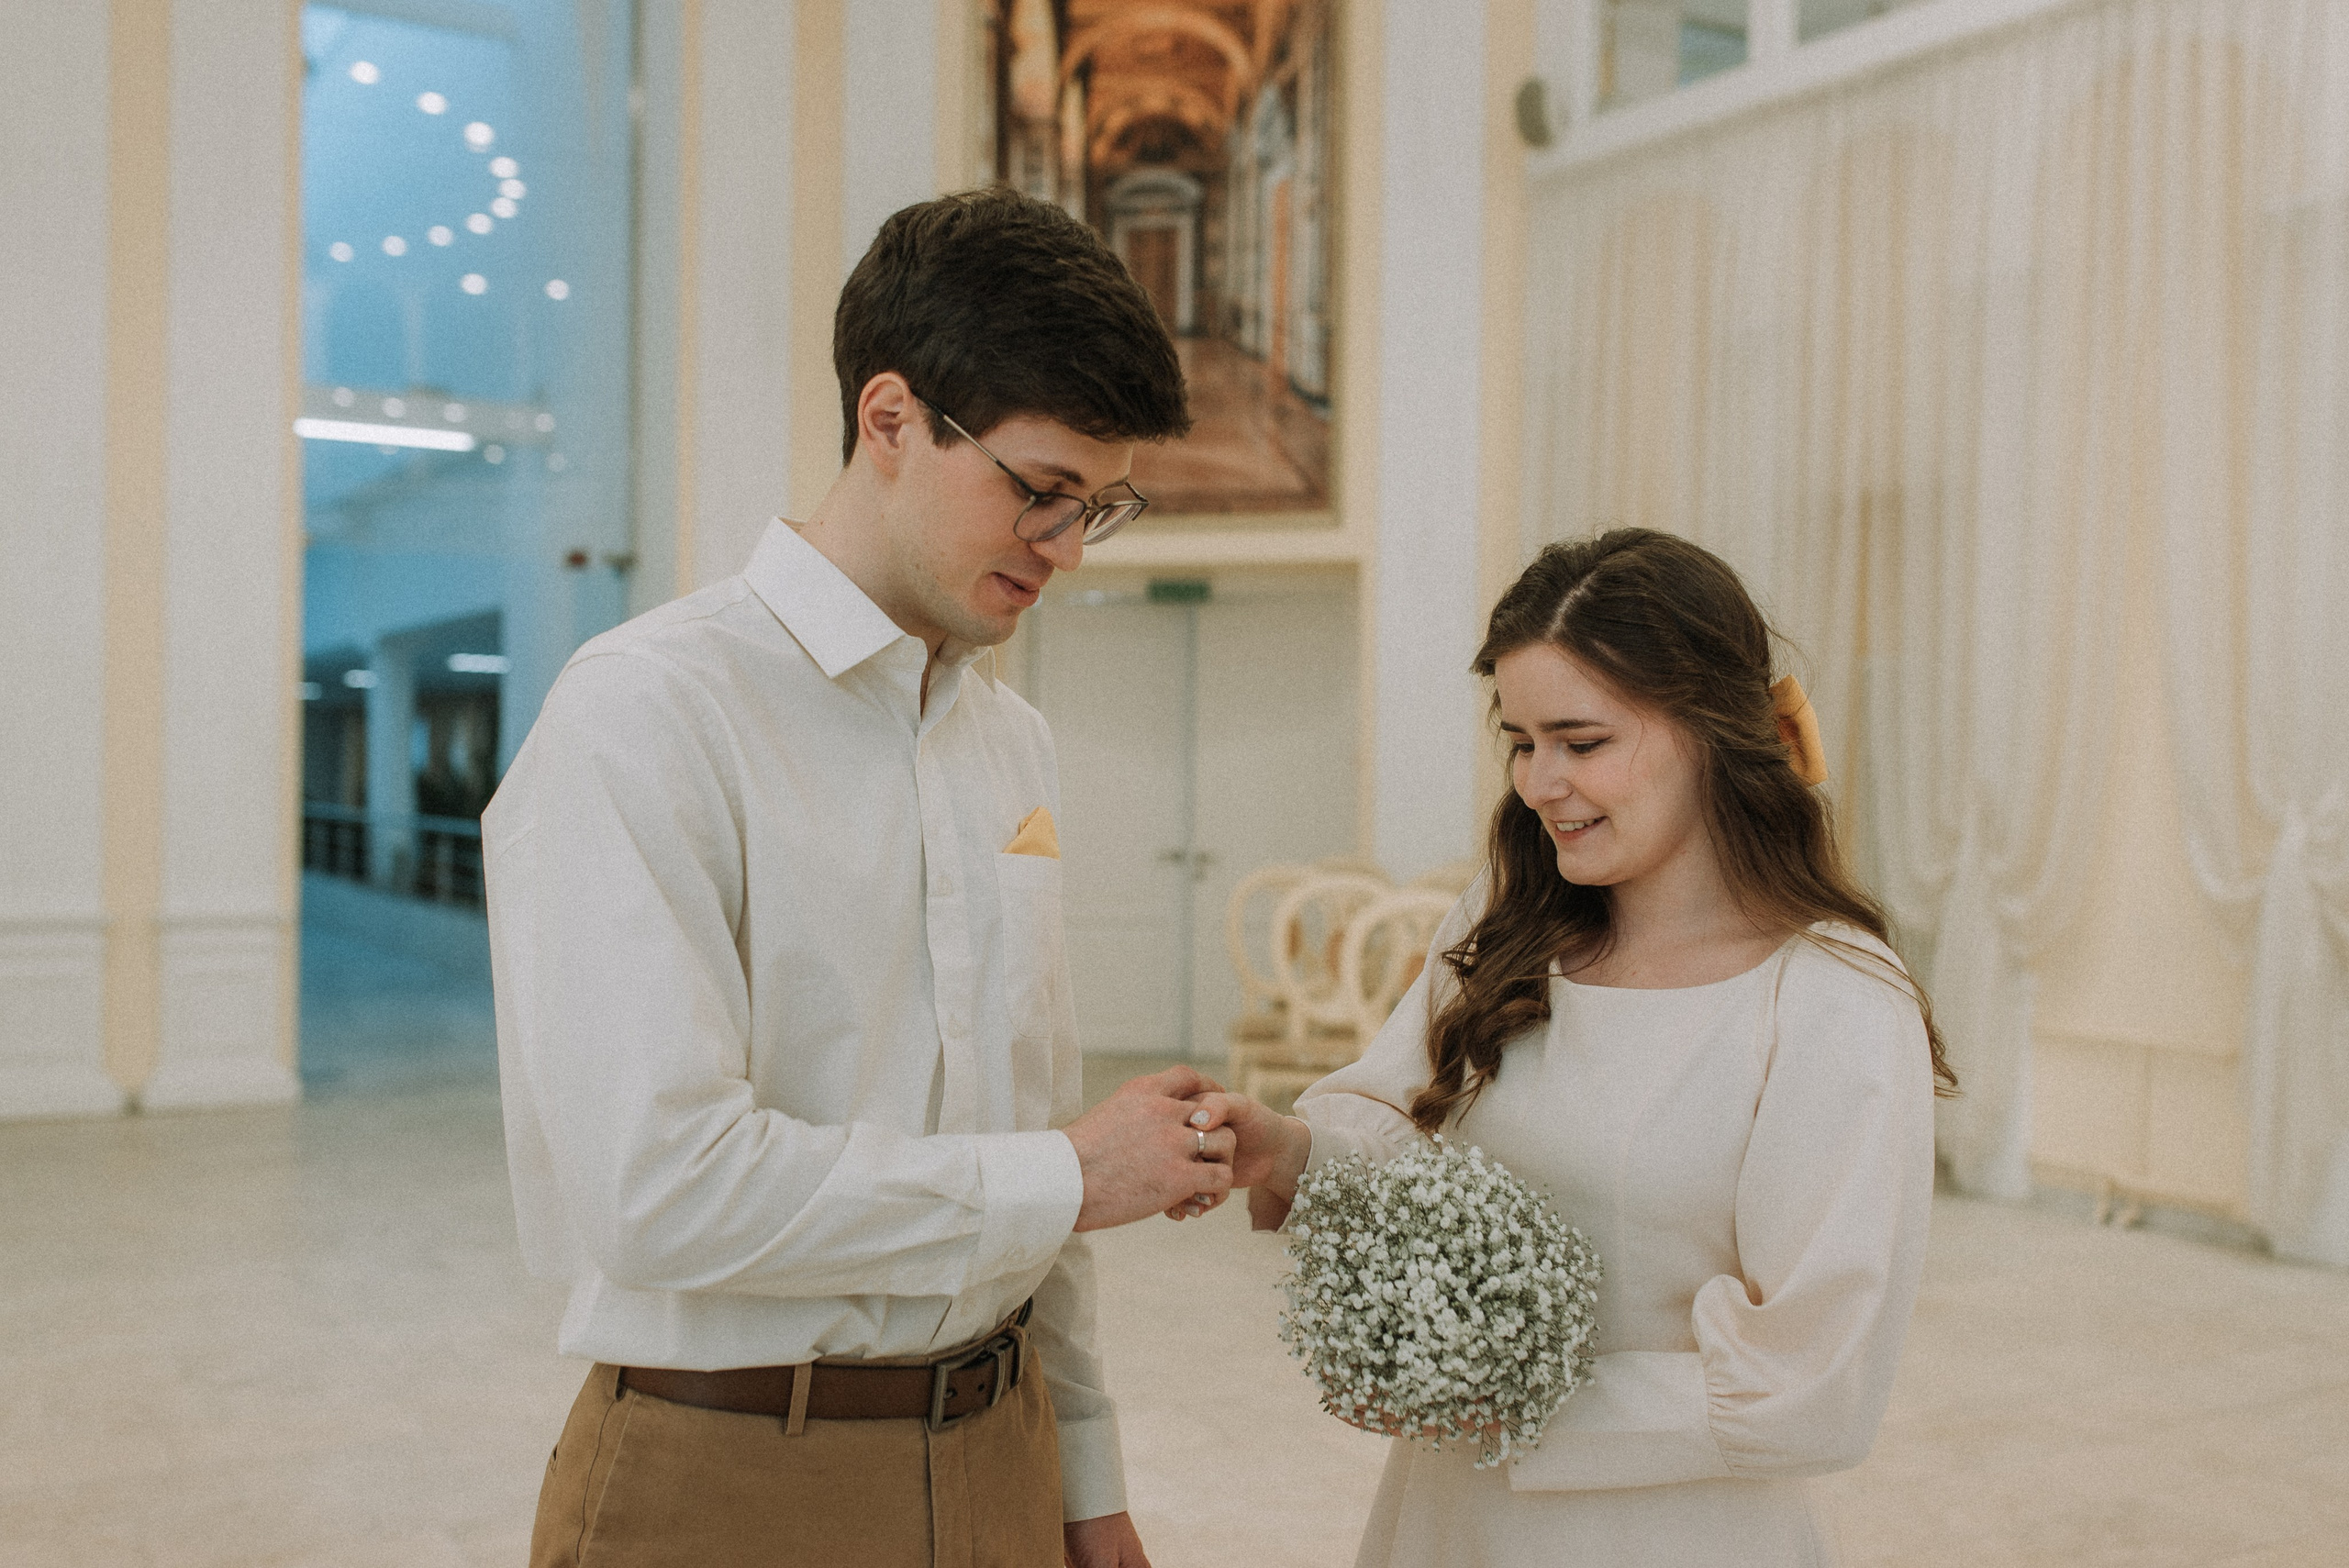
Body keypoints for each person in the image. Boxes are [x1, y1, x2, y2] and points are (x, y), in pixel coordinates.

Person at [484, 187, 1230, 1568]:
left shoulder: (1011, 740)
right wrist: (1065, 1172)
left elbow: (1025, 1123)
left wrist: (1087, 1471)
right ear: (889, 420)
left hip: (1003, 1453)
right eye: (1039, 491)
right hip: (731, 1474)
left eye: (1097, 507)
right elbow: (657, 1189)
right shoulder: (648, 711)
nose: (1065, 549)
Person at [1187, 528, 1955, 1566]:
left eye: (1581, 741)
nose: (1539, 781)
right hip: (1448, 1515)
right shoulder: (1507, 918)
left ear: (1714, 731)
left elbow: (1813, 1385)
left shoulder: (1832, 999)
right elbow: (1393, 1117)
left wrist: (1492, 1398)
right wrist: (1284, 1149)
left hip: (1675, 1528)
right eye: (1520, 739)